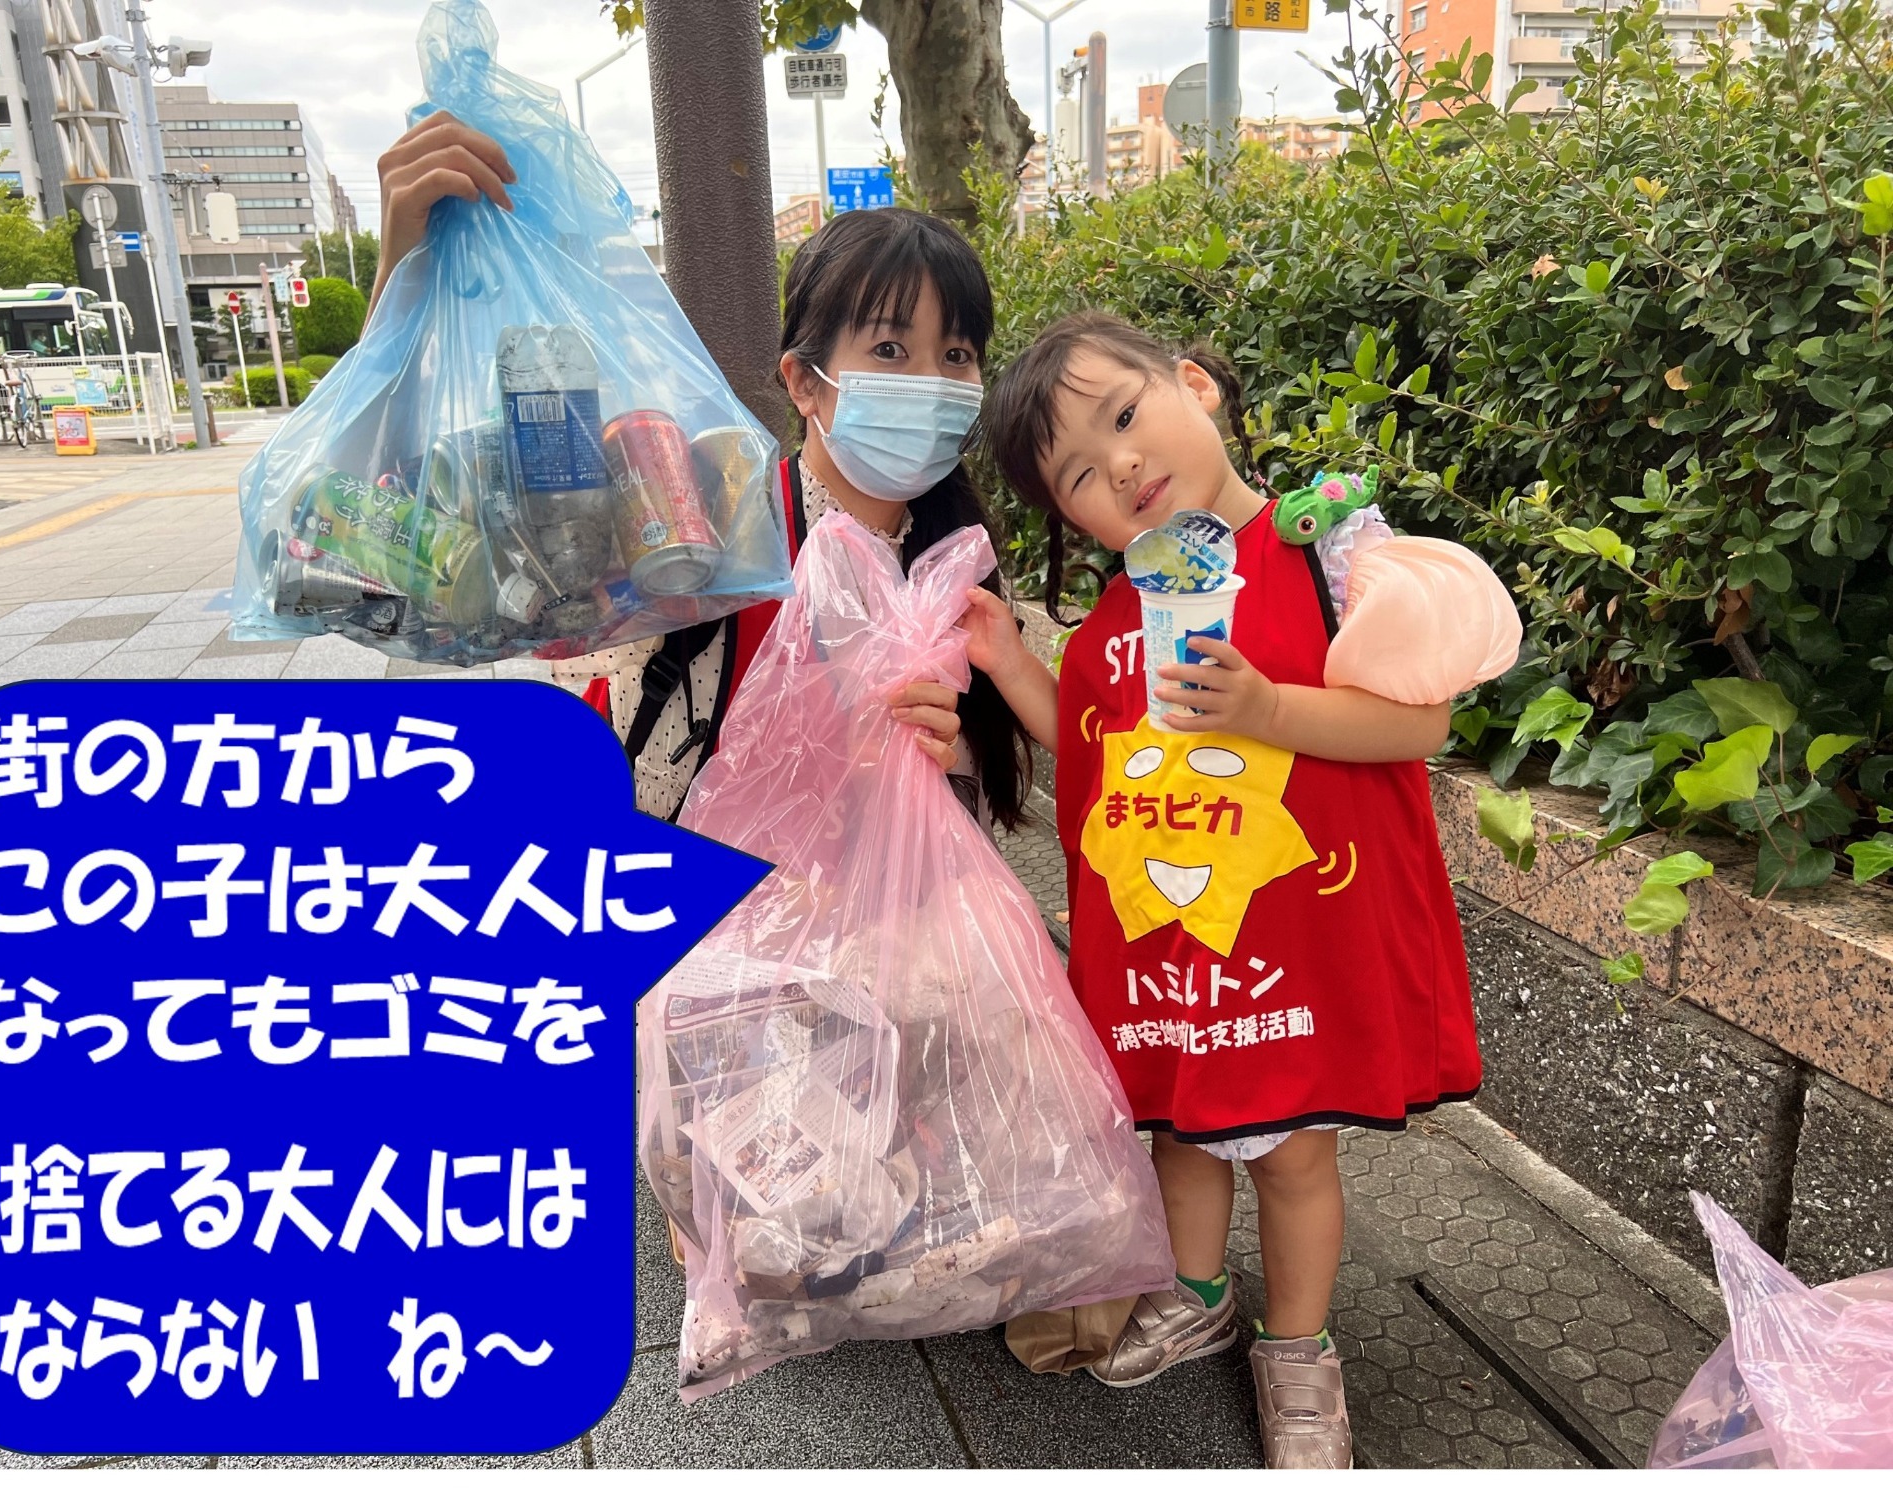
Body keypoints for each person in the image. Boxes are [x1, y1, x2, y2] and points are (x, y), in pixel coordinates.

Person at [963, 311, 1520, 1467]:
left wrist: (1266, 708)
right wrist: (1008, 658)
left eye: (1124, 415)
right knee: (1179, 1135)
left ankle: (1298, 1348)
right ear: (1070, 517)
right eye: (1079, 474)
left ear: (1196, 385)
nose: (1120, 464)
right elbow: (1097, 753)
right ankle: (1195, 1292)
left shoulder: (1324, 553)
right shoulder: (1117, 620)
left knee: (1291, 1155)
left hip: (1291, 955)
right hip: (1179, 956)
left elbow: (1417, 721)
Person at [368, 112, 1029, 827]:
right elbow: (405, 551)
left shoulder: (962, 571)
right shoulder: (706, 523)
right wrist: (404, 270)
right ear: (803, 383)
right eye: (891, 351)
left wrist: (944, 754)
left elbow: (992, 787)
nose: (930, 381)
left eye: (957, 356)